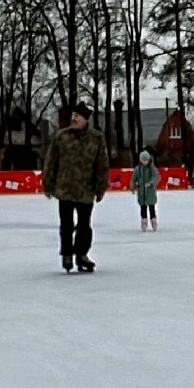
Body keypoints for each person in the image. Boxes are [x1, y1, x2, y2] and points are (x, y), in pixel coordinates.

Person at [42, 101, 108, 273]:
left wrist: (101, 187)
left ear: (85, 119)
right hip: (64, 188)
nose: (74, 118)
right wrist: (48, 183)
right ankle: (66, 254)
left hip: (86, 190)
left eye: (77, 116)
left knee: (84, 226)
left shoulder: (96, 138)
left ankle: (81, 254)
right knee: (66, 225)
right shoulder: (61, 136)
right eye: (73, 115)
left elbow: (102, 165)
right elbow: (51, 161)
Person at [132, 149, 160, 232]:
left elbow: (156, 177)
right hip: (141, 193)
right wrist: (133, 186)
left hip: (150, 192)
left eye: (146, 160)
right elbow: (133, 179)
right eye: (143, 160)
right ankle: (144, 221)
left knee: (152, 207)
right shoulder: (137, 169)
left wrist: (151, 183)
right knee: (143, 208)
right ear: (140, 160)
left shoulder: (152, 168)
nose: (145, 162)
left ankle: (153, 220)